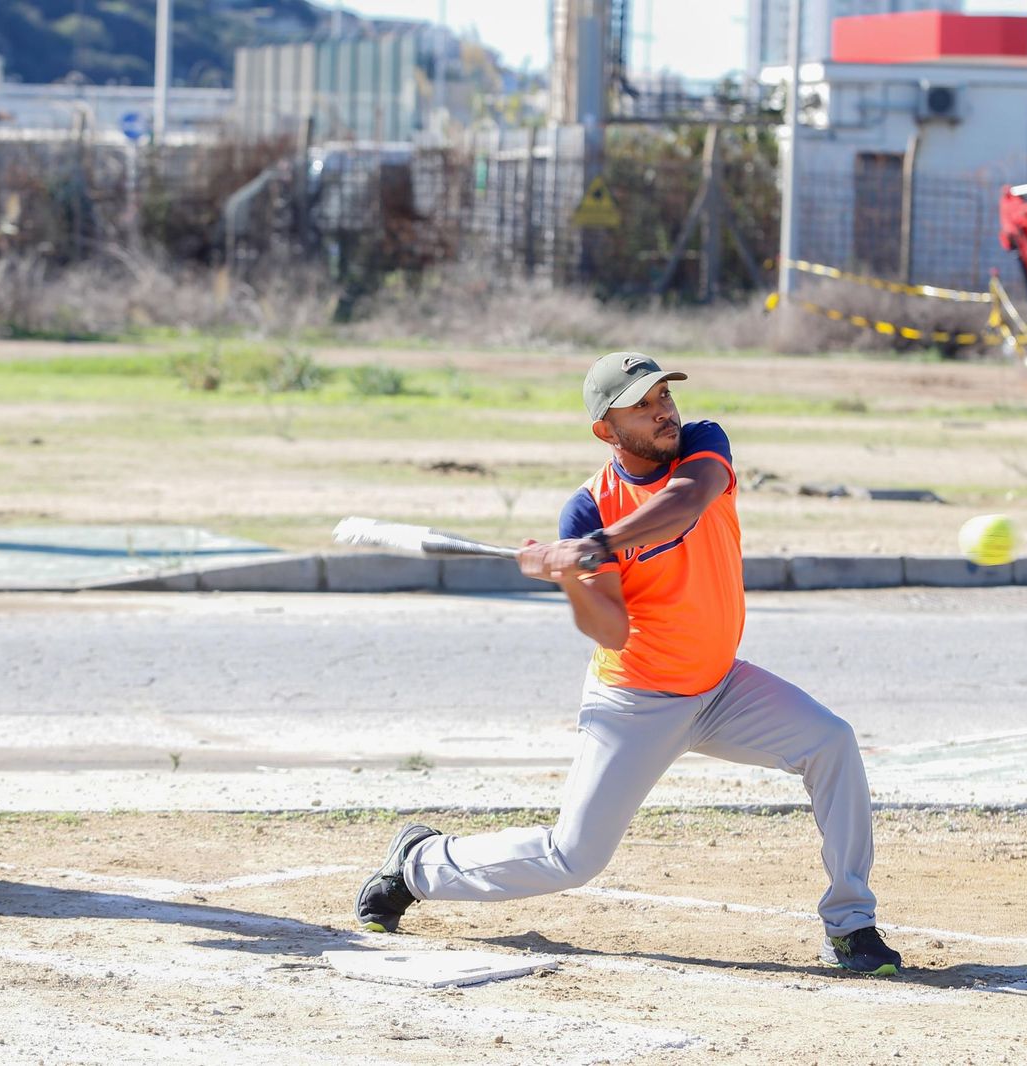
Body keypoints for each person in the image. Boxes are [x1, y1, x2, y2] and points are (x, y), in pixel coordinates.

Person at [355, 352, 903, 977]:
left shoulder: (703, 446)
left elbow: (687, 503)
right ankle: (420, 863)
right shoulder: (588, 508)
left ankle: (852, 923)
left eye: (663, 396)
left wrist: (595, 549)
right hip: (637, 700)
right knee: (574, 857)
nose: (662, 410)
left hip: (722, 685)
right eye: (640, 405)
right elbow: (610, 630)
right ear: (606, 429)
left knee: (831, 742)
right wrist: (571, 577)